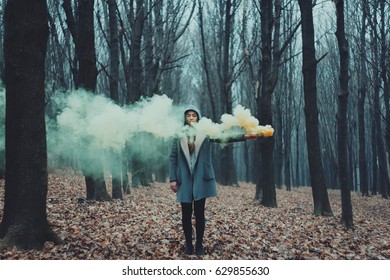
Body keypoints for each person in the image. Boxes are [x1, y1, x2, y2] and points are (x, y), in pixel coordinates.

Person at [169, 105, 258, 256]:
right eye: (189, 115)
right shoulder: (178, 135)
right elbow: (173, 157)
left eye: (194, 115)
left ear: (198, 117)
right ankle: (189, 245)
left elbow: (224, 137)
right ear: (185, 118)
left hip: (201, 178)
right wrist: (173, 179)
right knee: (185, 214)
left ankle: (199, 245)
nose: (191, 118)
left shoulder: (206, 132)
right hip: (184, 178)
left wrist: (244, 136)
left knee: (199, 214)